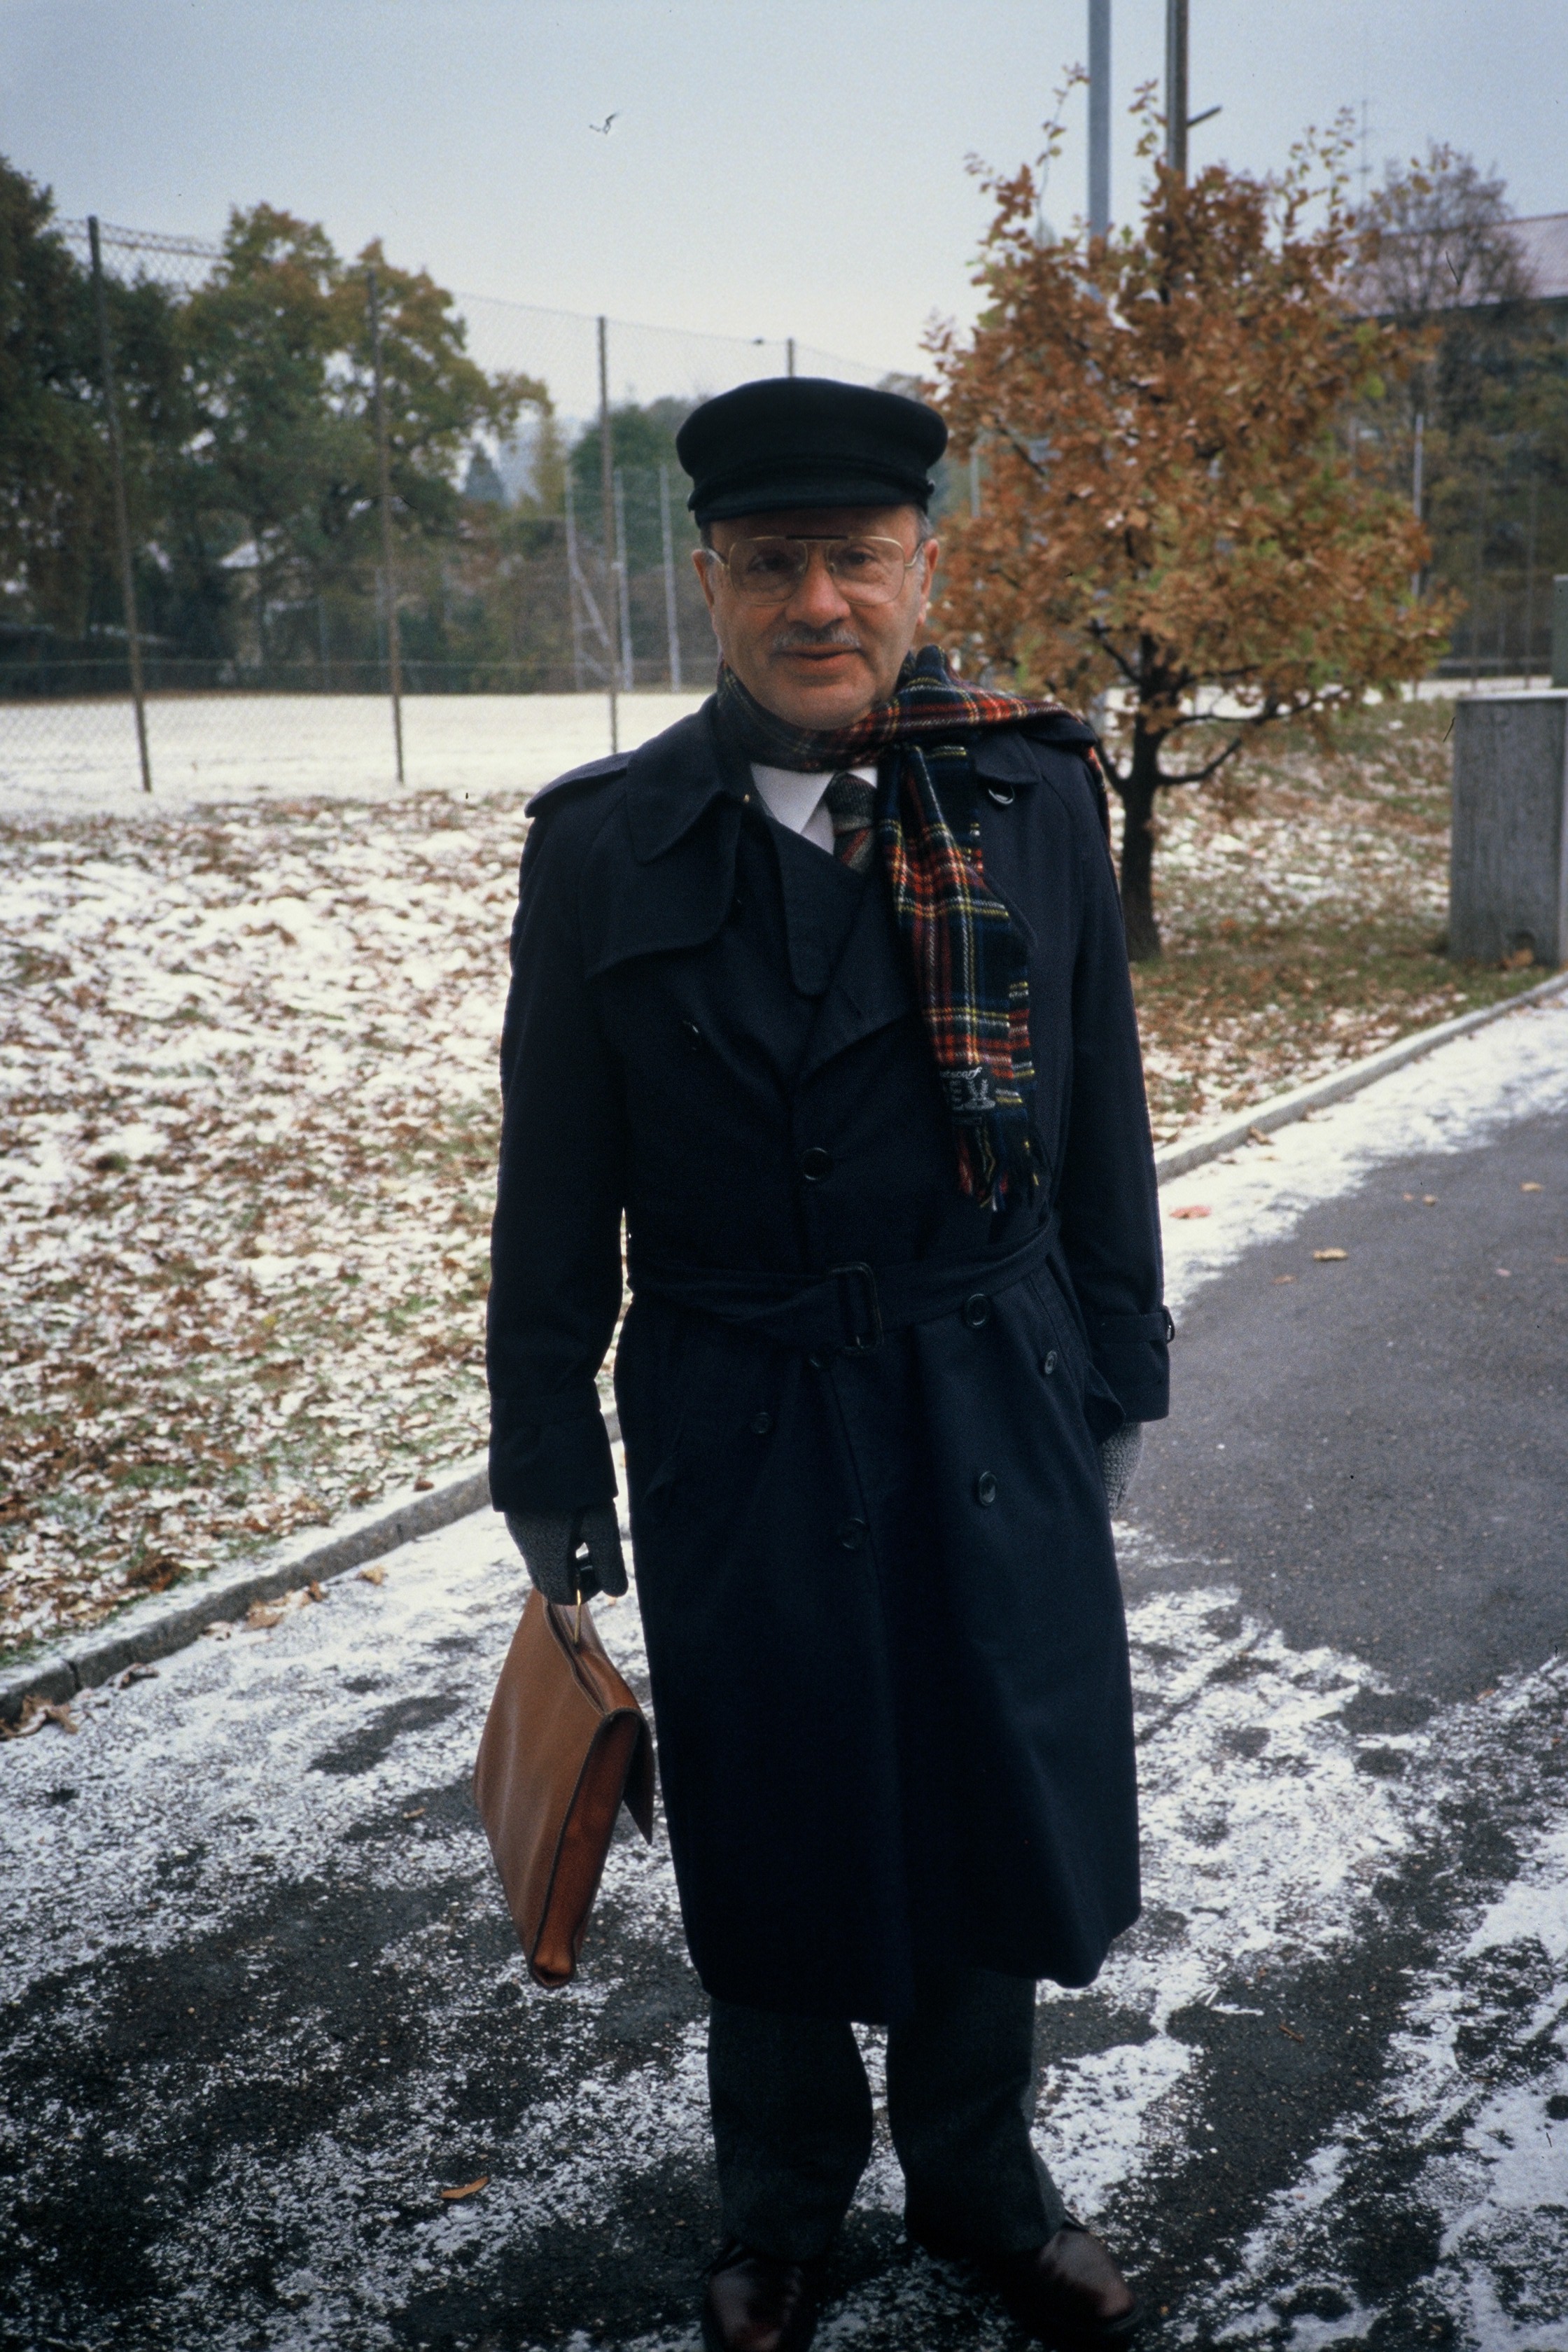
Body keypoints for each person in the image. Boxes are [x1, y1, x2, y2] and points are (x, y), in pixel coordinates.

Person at [487, 377, 1170, 2352]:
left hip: (986, 1389)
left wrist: (1114, 1377)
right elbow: (555, 1190)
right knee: (775, 1817)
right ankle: (777, 2208)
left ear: (919, 565)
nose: (818, 601)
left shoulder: (1035, 797)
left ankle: (977, 2186)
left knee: (985, 1788)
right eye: (771, 563)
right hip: (740, 1411)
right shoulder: (609, 848)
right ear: (709, 580)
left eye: (856, 559)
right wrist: (552, 1458)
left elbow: (1107, 1120)